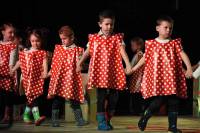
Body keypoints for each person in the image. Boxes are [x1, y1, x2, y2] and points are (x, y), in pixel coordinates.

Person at [127, 16, 193, 133]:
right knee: (159, 100)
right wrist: (133, 69)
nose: (168, 30)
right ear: (157, 28)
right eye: (165, 27)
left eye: (170, 28)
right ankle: (146, 116)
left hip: (172, 78)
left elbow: (183, 54)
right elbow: (145, 58)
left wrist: (188, 68)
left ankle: (172, 127)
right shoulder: (151, 44)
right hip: (159, 78)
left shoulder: (174, 43)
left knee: (174, 100)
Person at [76, 9, 131, 131]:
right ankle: (101, 122)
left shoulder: (117, 38)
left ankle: (107, 119)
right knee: (101, 97)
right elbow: (87, 52)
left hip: (114, 71)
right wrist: (80, 62)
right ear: (100, 24)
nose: (109, 27)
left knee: (113, 98)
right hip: (100, 72)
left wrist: (128, 65)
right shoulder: (94, 38)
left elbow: (122, 51)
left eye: (111, 24)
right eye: (106, 24)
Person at [47, 26, 88, 127]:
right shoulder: (58, 49)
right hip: (59, 79)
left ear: (72, 38)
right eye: (61, 39)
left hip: (71, 79)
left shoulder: (78, 50)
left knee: (74, 100)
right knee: (57, 99)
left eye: (64, 39)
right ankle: (54, 120)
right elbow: (54, 64)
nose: (62, 41)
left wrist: (81, 66)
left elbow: (80, 65)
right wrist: (49, 73)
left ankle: (79, 120)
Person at [11, 29, 47, 126]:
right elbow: (20, 62)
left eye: (37, 41)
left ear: (41, 40)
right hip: (27, 79)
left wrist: (45, 73)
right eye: (33, 41)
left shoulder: (42, 52)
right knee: (33, 98)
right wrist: (13, 69)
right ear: (30, 41)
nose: (35, 43)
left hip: (37, 79)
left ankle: (26, 116)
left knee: (32, 98)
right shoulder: (26, 51)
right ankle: (37, 117)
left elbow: (45, 63)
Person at [0, 23, 16, 126]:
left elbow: (12, 59)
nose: (12, 34)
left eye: (13, 32)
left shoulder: (13, 45)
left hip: (8, 73)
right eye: (10, 32)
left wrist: (12, 70)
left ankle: (7, 116)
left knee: (8, 96)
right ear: (3, 32)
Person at [127, 37, 145, 115]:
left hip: (138, 78)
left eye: (133, 45)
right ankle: (137, 110)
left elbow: (133, 65)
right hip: (135, 78)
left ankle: (138, 110)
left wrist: (127, 69)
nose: (131, 47)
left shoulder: (140, 54)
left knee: (137, 95)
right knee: (135, 95)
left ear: (139, 46)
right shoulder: (137, 54)